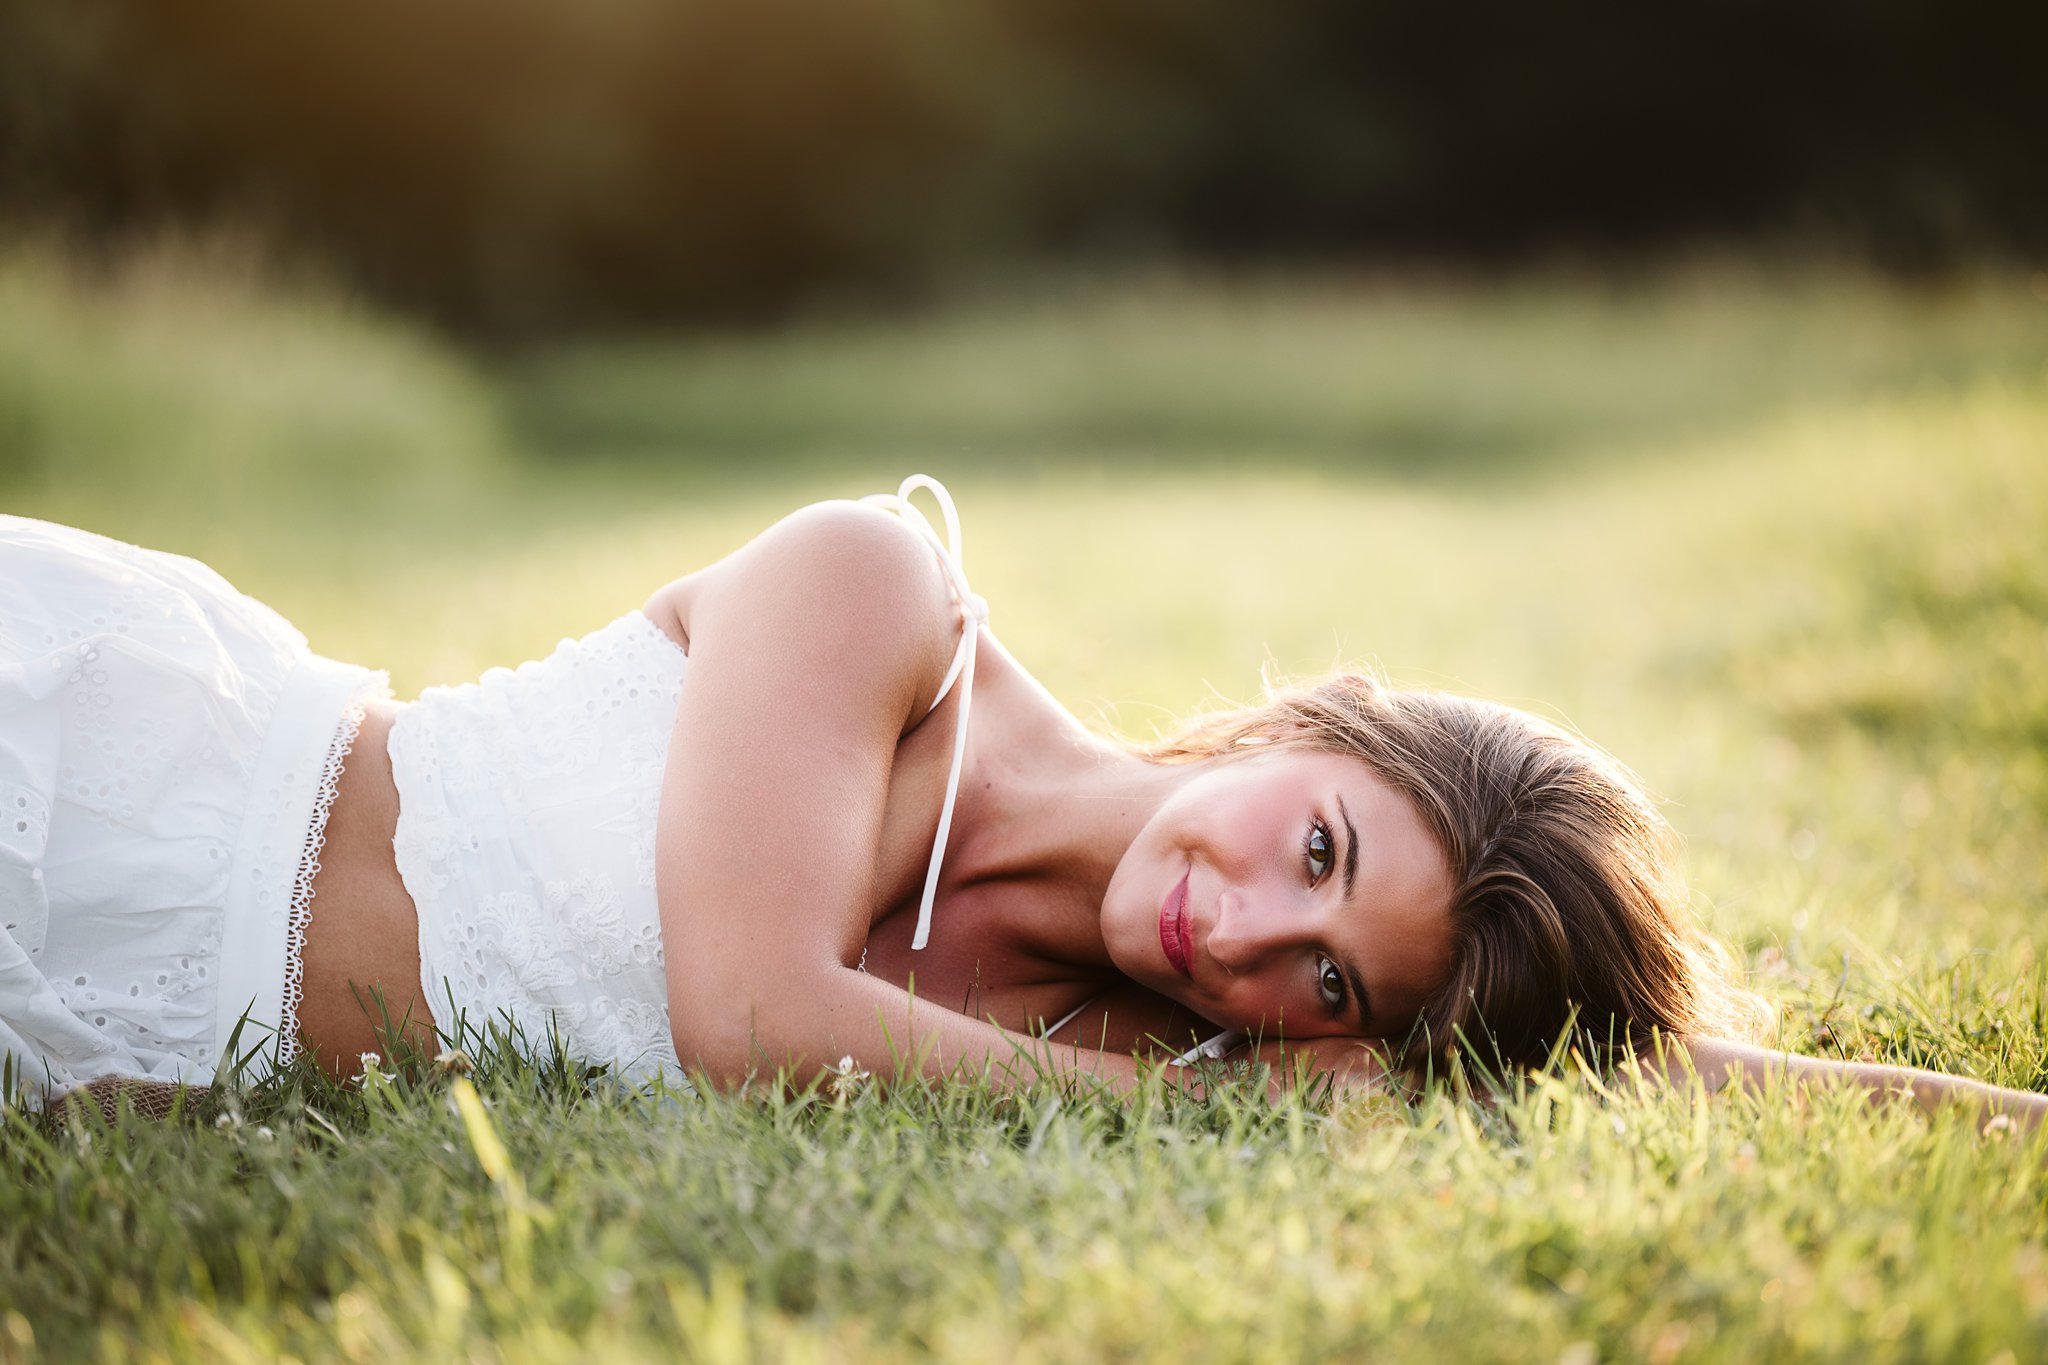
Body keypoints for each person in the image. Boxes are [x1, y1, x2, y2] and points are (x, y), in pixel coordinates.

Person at [3, 480, 2043, 1131]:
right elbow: (746, 1009)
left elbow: (1648, 1073)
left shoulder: (1105, 1022)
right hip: (120, 797)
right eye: (1314, 844)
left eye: (1326, 976)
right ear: (1297, 730)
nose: (1245, 932)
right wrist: (1202, 1109)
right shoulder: (879, 597)